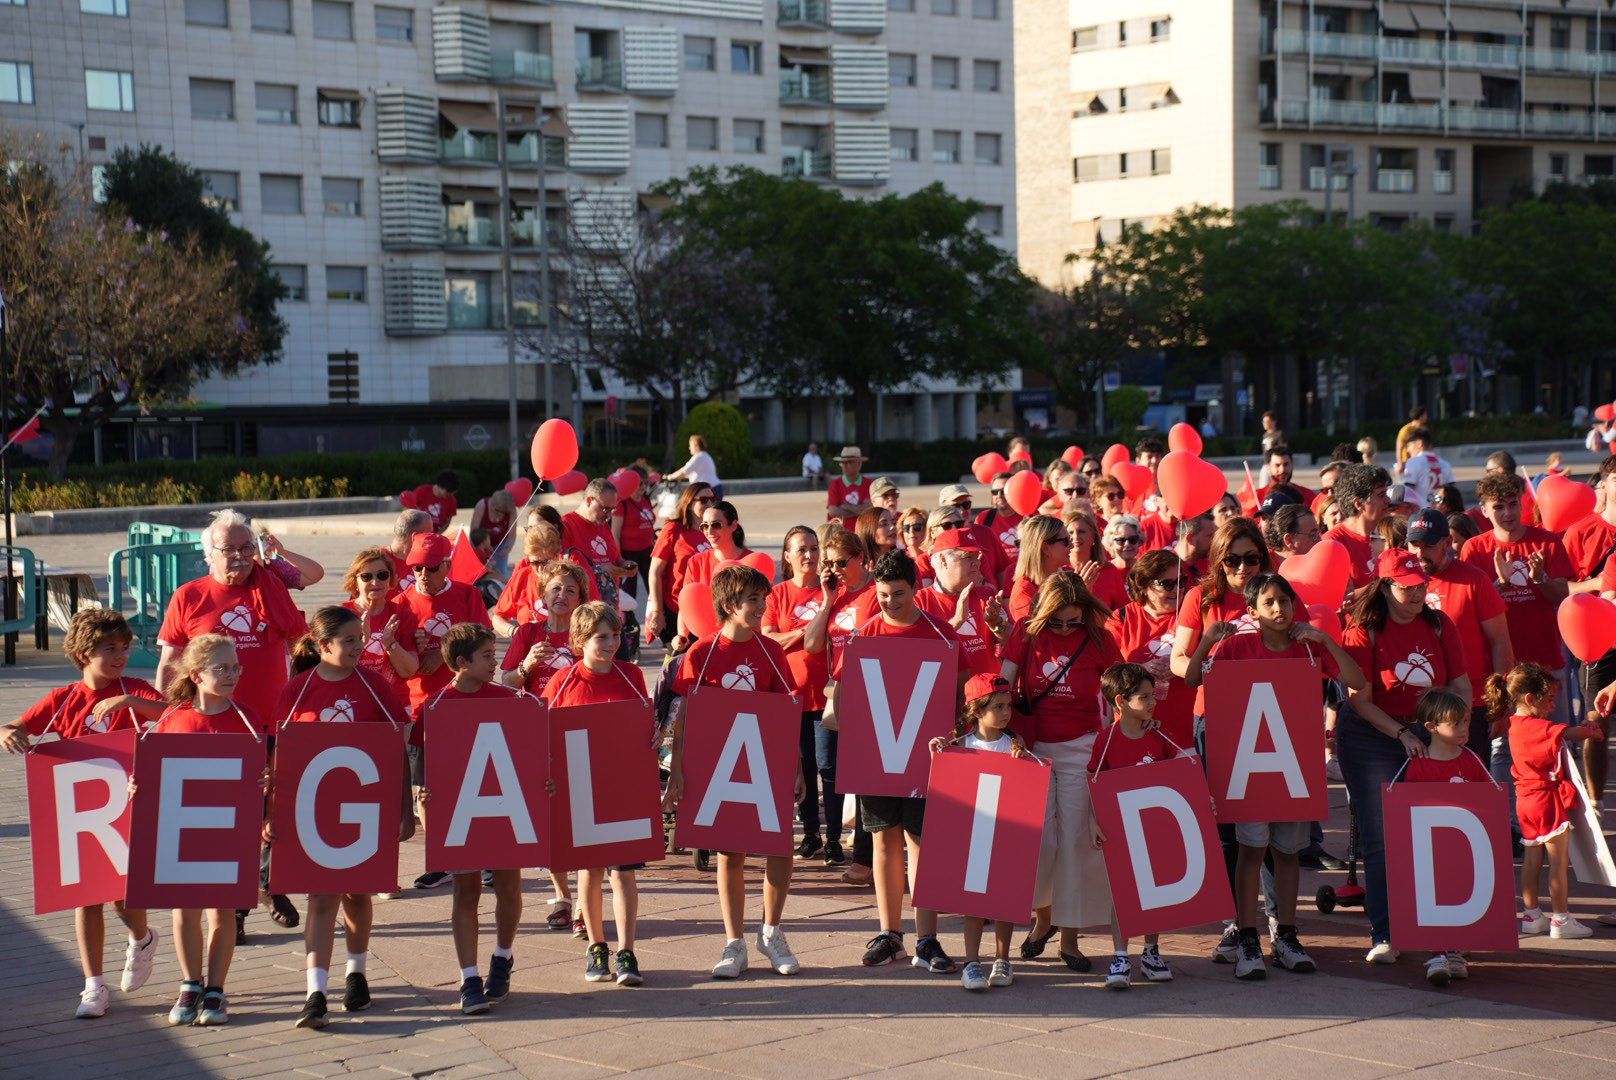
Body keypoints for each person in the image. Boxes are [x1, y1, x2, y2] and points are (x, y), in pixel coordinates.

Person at [1185, 574, 1364, 981]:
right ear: (1252, 611)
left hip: (1293, 767)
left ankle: (1286, 935)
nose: (1279, 609)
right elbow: (1194, 679)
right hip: (1250, 766)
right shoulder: (1237, 646)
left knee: (1288, 852)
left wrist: (1326, 641)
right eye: (1269, 603)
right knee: (1251, 850)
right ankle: (1247, 936)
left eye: (1284, 600)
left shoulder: (1308, 646)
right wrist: (1208, 641)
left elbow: (1356, 681)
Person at [1, 610, 165, 1019]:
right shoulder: (64, 699)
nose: (120, 655)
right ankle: (93, 985)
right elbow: (16, 725)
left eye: (124, 647)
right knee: (85, 896)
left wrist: (131, 702)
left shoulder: (134, 688)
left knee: (120, 895)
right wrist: (8, 733)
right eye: (109, 648)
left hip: (129, 804)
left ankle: (142, 939)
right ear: (82, 654)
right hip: (81, 811)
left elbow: (175, 715)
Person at [155, 508, 307, 934]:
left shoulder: (270, 588)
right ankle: (233, 910)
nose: (239, 556)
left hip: (268, 720)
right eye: (229, 549)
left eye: (246, 547)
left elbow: (299, 646)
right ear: (209, 554)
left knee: (272, 808)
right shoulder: (188, 596)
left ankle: (268, 883)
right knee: (227, 816)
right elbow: (169, 663)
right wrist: (167, 717)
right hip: (212, 726)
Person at [272, 608, 412, 1029]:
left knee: (356, 894)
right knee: (320, 897)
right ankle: (315, 993)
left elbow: (397, 746)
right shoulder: (297, 689)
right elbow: (282, 756)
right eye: (349, 640)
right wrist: (271, 811)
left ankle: (357, 973)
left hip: (363, 808)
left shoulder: (374, 684)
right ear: (323, 645)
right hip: (314, 809)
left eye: (360, 639)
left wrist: (404, 809)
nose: (358, 647)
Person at [666, 565, 804, 979]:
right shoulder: (702, 652)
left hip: (763, 759)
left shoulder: (771, 651)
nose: (762, 607)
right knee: (730, 852)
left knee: (780, 846)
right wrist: (677, 769)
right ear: (729, 605)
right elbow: (684, 715)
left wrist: (797, 767)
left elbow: (786, 714)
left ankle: (771, 932)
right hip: (721, 763)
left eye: (764, 599)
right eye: (753, 600)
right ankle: (734, 942)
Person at [824, 551, 959, 973]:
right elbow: (842, 689)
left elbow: (958, 689)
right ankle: (890, 934)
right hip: (879, 751)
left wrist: (954, 734)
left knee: (921, 844)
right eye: (883, 594)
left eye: (898, 594)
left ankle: (927, 938)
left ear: (915, 589)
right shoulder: (865, 633)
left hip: (925, 754)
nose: (889, 602)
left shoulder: (938, 633)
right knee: (884, 841)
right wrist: (853, 738)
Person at [1338, 550, 1471, 965]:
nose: (1416, 594)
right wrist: (1401, 734)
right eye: (1407, 588)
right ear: (1385, 586)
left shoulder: (1439, 623)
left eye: (1421, 586)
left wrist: (1453, 725)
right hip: (1372, 737)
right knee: (1381, 837)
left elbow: (1461, 684)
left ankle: (1443, 931)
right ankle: (1385, 933)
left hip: (1429, 731)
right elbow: (1360, 701)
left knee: (1437, 830)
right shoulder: (1363, 629)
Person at [998, 571, 1121, 972]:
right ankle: (1044, 916)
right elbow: (1003, 684)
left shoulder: (1100, 639)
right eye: (1057, 622)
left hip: (1081, 748)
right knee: (1040, 842)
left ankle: (1069, 938)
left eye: (1073, 621)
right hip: (1032, 748)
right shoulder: (1026, 632)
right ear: (1042, 613)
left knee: (1075, 843)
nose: (1066, 629)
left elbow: (1119, 692)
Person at [418, 622, 533, 1013]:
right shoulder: (435, 706)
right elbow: (421, 770)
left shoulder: (511, 699)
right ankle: (469, 978)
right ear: (461, 662)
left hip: (505, 804)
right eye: (487, 655)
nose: (494, 661)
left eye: (494, 653)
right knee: (465, 891)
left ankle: (502, 957)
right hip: (460, 809)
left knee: (508, 886)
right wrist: (423, 801)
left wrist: (543, 785)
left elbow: (532, 754)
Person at [150, 635, 263, 1027]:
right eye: (222, 668)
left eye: (236, 667)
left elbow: (265, 772)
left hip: (229, 826)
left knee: (222, 909)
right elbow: (152, 771)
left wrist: (265, 784)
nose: (232, 674)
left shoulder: (247, 718)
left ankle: (216, 988)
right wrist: (138, 784)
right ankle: (190, 983)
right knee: (185, 909)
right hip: (184, 827)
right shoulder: (173, 718)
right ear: (196, 675)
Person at [542, 602, 655, 986]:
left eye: (615, 635)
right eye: (601, 637)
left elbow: (642, 725)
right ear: (579, 640)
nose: (611, 643)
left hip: (622, 788)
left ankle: (627, 951)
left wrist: (654, 738)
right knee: (589, 872)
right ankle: (596, 947)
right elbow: (545, 739)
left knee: (624, 874)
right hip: (581, 792)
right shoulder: (563, 682)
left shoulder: (631, 675)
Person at [401, 532, 492, 891]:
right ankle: (442, 859)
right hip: (423, 706)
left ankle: (486, 855)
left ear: (448, 566)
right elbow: (401, 660)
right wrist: (414, 650)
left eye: (431, 567)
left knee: (476, 780)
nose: (423, 574)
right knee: (427, 789)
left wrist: (440, 653)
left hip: (468, 705)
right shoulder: (402, 602)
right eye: (416, 568)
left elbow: (483, 644)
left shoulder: (468, 595)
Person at [1487, 663, 1602, 940]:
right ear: (1530, 699)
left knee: (1531, 859)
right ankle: (1561, 919)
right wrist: (1590, 730)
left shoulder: (1513, 724)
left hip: (1524, 801)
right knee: (1558, 864)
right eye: (1549, 699)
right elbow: (1569, 733)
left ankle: (1531, 915)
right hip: (1545, 800)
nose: (1553, 705)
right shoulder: (1540, 726)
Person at [929, 674, 1027, 992]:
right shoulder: (960, 745)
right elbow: (947, 788)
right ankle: (971, 962)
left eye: (1008, 706)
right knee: (972, 902)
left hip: (1006, 831)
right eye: (998, 707)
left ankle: (1002, 958)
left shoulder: (1014, 745)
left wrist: (1024, 760)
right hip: (973, 833)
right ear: (976, 710)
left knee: (1004, 899)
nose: (1006, 712)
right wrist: (937, 755)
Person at [1088, 662, 1179, 990]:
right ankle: (1120, 955)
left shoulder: (1159, 735)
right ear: (1121, 702)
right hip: (1121, 829)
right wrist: (1093, 820)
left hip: (1155, 827)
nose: (1152, 702)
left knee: (1155, 891)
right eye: (1144, 697)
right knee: (1124, 893)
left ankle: (1151, 951)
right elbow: (1094, 780)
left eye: (1152, 695)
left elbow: (1179, 774)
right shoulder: (1106, 739)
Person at [1459, 472, 1573, 726]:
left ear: (1522, 504)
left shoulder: (1547, 542)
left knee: (1555, 738)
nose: (1508, 513)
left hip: (1546, 661)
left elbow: (1562, 596)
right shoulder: (1475, 549)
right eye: (1498, 507)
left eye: (1513, 504)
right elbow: (1469, 609)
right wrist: (1500, 584)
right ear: (1484, 511)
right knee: (1503, 743)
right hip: (1499, 670)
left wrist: (1540, 578)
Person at [1405, 510, 1514, 767]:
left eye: (1428, 545)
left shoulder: (1474, 580)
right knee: (1420, 782)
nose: (1419, 553)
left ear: (1446, 543)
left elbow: (1500, 641)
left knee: (1469, 779)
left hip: (1468, 704)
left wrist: (1502, 702)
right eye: (1414, 545)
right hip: (1415, 706)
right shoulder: (1399, 584)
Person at [1401, 688, 1492, 986]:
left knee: (1458, 895)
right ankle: (1437, 952)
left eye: (1466, 721)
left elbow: (1487, 798)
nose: (1465, 729)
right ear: (1431, 727)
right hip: (1432, 851)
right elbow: (1408, 808)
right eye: (1456, 723)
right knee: (1433, 898)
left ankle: (1454, 950)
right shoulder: (1419, 765)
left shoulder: (1473, 760)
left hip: (1464, 850)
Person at [764, 526, 843, 866]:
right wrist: (808, 631)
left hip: (827, 695)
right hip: (791, 695)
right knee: (802, 768)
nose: (809, 555)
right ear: (787, 556)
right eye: (801, 549)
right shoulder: (777, 595)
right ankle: (811, 834)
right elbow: (769, 639)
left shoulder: (833, 591)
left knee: (829, 767)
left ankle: (834, 838)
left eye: (814, 548)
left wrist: (823, 608)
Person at [805, 526, 877, 885]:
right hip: (843, 692)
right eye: (828, 564)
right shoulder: (838, 596)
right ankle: (863, 852)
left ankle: (865, 857)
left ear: (860, 557)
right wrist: (827, 600)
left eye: (840, 562)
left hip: (872, 692)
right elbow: (812, 644)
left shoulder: (875, 593)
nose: (834, 569)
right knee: (846, 772)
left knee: (866, 776)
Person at [1105, 551, 1191, 750]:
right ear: (1144, 586)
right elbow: (1108, 675)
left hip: (1185, 733)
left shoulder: (1193, 615)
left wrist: (1178, 665)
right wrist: (1142, 669)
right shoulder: (1121, 618)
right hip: (1135, 732)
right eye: (1167, 584)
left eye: (1181, 582)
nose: (1177, 589)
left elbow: (1211, 661)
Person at [918, 529, 1011, 678]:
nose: (977, 563)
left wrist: (997, 625)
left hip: (988, 690)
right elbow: (918, 654)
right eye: (968, 557)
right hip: (946, 689)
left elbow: (1013, 642)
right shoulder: (919, 602)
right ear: (943, 560)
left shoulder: (987, 595)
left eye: (977, 556)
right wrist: (956, 622)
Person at [341, 548, 419, 704]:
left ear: (390, 580)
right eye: (366, 577)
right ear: (355, 582)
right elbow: (335, 668)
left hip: (394, 702)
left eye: (382, 575)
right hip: (352, 702)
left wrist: (390, 643)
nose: (375, 582)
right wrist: (361, 642)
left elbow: (408, 671)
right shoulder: (341, 615)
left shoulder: (402, 615)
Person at [500, 560, 588, 697]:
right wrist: (527, 664)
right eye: (556, 588)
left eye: (570, 591)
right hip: (537, 708)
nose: (562, 595)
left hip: (574, 707)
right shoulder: (528, 632)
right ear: (544, 595)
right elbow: (507, 686)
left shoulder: (588, 634)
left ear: (579, 600)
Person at [645, 482, 716, 643]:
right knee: (678, 654)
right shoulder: (674, 529)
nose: (710, 504)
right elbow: (655, 572)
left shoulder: (715, 530)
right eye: (703, 500)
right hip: (675, 608)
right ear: (689, 503)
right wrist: (658, 612)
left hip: (707, 610)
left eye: (713, 499)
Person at [1326, 464, 1394, 594]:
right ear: (1358, 504)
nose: (1388, 500)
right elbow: (1340, 597)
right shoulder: (1332, 544)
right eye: (1381, 495)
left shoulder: (1390, 534)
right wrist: (1385, 583)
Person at [562, 478, 638, 588]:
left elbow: (616, 558)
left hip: (610, 596)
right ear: (589, 501)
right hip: (587, 597)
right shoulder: (565, 525)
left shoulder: (602, 524)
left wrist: (624, 565)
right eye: (606, 509)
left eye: (612, 509)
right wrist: (599, 570)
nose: (609, 515)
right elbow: (563, 571)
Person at [936, 485, 1009, 591]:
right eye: (955, 506)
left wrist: (1004, 596)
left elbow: (1002, 570)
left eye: (966, 505)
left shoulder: (985, 532)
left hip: (991, 597)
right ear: (943, 509)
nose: (962, 511)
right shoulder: (939, 541)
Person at [1008, 515, 1071, 621]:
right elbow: (1039, 629)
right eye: (1066, 541)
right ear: (1045, 548)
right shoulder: (1024, 591)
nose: (1072, 545)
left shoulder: (1066, 577)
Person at [682, 500, 754, 593]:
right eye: (705, 526)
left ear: (733, 525)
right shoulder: (696, 563)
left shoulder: (752, 561)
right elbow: (688, 599)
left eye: (716, 525)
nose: (709, 532)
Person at [1064, 505, 1128, 610]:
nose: (1075, 537)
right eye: (1070, 532)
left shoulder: (1109, 571)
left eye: (1081, 531)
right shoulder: (1059, 571)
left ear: (1093, 536)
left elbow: (1123, 611)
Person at [611, 464, 657, 600]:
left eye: (646, 482)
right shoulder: (622, 503)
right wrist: (619, 559)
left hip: (648, 551)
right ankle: (628, 614)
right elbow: (615, 533)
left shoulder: (646, 499)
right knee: (629, 593)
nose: (644, 486)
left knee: (655, 589)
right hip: (628, 554)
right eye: (640, 483)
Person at [1397, 429, 1454, 510]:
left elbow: (1407, 492)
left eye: (1409, 446)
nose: (1408, 450)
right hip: (1441, 512)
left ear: (1419, 443)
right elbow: (1452, 492)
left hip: (1421, 512)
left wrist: (1399, 476)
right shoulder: (1445, 464)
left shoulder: (1413, 462)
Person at [977, 471, 1022, 566]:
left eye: (1003, 491)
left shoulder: (1027, 516)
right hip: (996, 573)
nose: (999, 496)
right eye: (994, 492)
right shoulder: (984, 518)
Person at [469, 489, 516, 573]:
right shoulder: (482, 505)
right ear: (492, 504)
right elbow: (473, 531)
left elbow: (512, 534)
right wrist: (481, 547)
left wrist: (507, 550)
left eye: (504, 512)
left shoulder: (511, 510)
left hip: (500, 545)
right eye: (497, 510)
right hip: (481, 543)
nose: (500, 514)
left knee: (501, 572)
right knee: (478, 571)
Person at [387, 509, 435, 586]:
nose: (432, 539)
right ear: (415, 537)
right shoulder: (376, 563)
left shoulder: (430, 562)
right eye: (429, 534)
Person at [668, 434, 723, 499]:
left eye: (690, 446)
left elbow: (683, 471)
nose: (689, 448)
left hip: (708, 490)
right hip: (715, 488)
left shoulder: (697, 457)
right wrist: (675, 477)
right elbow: (691, 474)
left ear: (696, 446)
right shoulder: (705, 455)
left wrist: (669, 477)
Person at [826, 446, 872, 522]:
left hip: (863, 528)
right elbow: (833, 511)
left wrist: (846, 507)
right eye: (842, 463)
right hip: (841, 529)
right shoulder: (835, 484)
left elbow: (870, 509)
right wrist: (860, 510)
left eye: (849, 462)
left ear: (859, 463)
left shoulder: (869, 484)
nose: (845, 466)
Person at [1171, 512, 1215, 581]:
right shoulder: (1167, 569)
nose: (1214, 541)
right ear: (1189, 538)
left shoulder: (1208, 565)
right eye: (1210, 536)